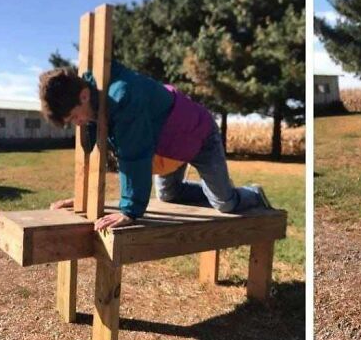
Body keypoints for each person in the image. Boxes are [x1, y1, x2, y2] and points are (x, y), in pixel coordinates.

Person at [38, 61, 271, 231]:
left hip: (198, 135)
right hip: (167, 147)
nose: (76, 124)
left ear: (84, 96)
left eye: (73, 117)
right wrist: (83, 199)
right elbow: (91, 151)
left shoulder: (121, 98)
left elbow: (133, 155)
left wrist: (130, 210)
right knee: (169, 195)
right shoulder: (93, 104)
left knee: (226, 204)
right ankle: (214, 189)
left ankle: (252, 193)